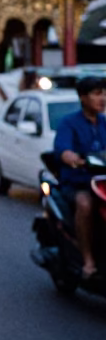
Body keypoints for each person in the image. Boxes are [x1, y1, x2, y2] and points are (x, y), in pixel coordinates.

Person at [54, 76, 106, 279]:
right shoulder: (69, 123)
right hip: (78, 183)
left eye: (104, 93)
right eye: (96, 94)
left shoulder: (104, 123)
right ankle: (88, 259)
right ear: (83, 98)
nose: (102, 99)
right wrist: (71, 157)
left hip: (102, 183)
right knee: (84, 204)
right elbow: (62, 149)